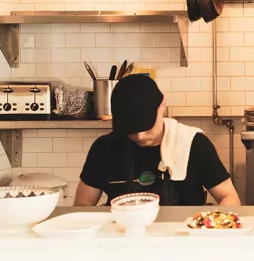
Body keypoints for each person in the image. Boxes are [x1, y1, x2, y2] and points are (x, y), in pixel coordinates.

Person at [74, 74, 240, 206]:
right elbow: (83, 204)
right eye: (130, 131)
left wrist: (213, 226)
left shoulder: (193, 143)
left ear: (162, 105)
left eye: (146, 127)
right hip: (122, 239)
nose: (139, 137)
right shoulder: (104, 148)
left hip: (182, 239)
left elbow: (229, 196)